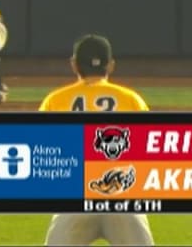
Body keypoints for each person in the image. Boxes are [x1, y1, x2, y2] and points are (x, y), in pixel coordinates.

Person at [39, 34, 154, 246]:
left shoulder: (55, 100)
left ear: (74, 65)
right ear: (110, 66)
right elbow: (148, 149)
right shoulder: (131, 99)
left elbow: (43, 149)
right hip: (123, 198)